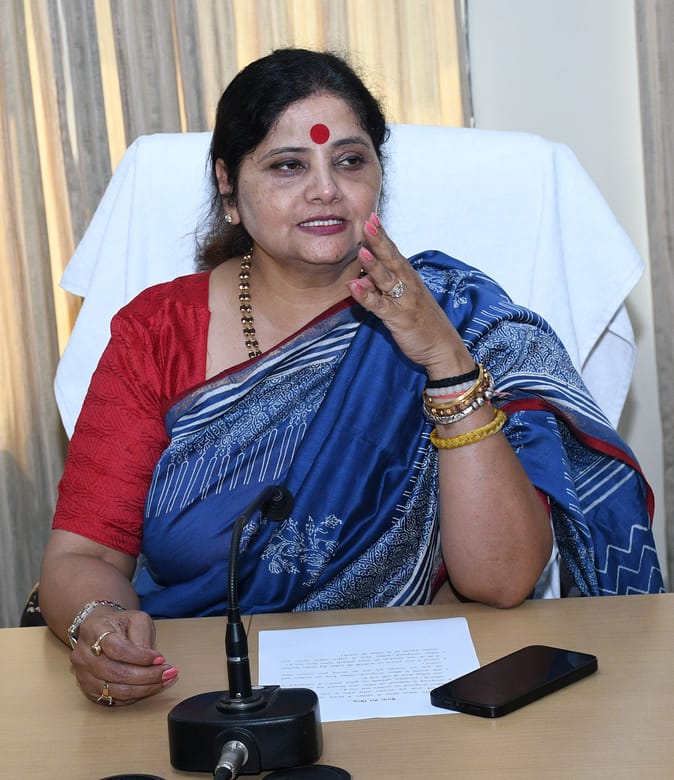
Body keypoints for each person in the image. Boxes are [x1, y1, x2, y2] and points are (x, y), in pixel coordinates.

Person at [39, 48, 664, 707]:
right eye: (288, 165)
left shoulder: (459, 316)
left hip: (414, 687)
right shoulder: (158, 333)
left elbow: (503, 580)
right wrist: (99, 625)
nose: (325, 189)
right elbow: (85, 557)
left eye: (350, 160)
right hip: (210, 685)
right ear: (227, 186)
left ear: (378, 177)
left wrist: (444, 361)